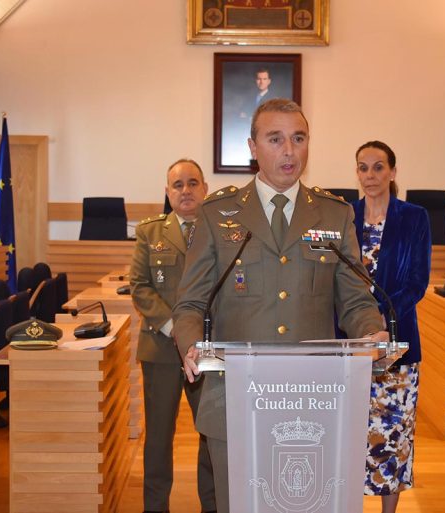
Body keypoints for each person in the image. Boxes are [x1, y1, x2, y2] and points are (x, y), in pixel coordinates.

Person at [172, 98, 389, 513]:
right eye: (276, 139)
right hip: (232, 394)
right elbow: (190, 303)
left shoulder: (334, 213)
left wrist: (371, 330)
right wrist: (189, 343)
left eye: (299, 138)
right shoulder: (219, 215)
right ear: (253, 146)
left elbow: (355, 297)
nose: (289, 150)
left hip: (312, 397)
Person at [129, 159, 216, 513]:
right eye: (177, 185)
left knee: (211, 434)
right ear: (167, 192)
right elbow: (140, 286)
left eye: (192, 183)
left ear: (204, 189)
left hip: (208, 349)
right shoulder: (150, 232)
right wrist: (174, 329)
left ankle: (212, 505)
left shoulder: (221, 232)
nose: (186, 191)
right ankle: (155, 507)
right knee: (159, 438)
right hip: (162, 348)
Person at [353, 141, 431, 513]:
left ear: (393, 172)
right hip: (350, 345)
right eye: (363, 168)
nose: (370, 176)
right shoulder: (344, 216)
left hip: (397, 344)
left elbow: (417, 281)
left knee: (394, 435)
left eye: (378, 167)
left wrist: (384, 320)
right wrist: (361, 325)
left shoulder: (414, 217)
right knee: (350, 434)